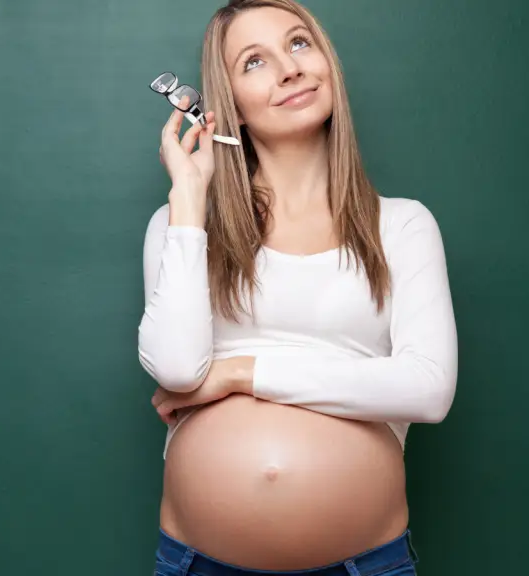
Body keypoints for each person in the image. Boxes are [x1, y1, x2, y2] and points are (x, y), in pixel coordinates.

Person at [137, 1, 458, 574]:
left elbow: (428, 389)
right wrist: (188, 197)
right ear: (227, 106)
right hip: (198, 563)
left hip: (365, 564)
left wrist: (239, 373)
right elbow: (178, 370)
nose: (289, 69)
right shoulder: (180, 225)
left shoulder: (403, 225)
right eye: (254, 61)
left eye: (299, 43)